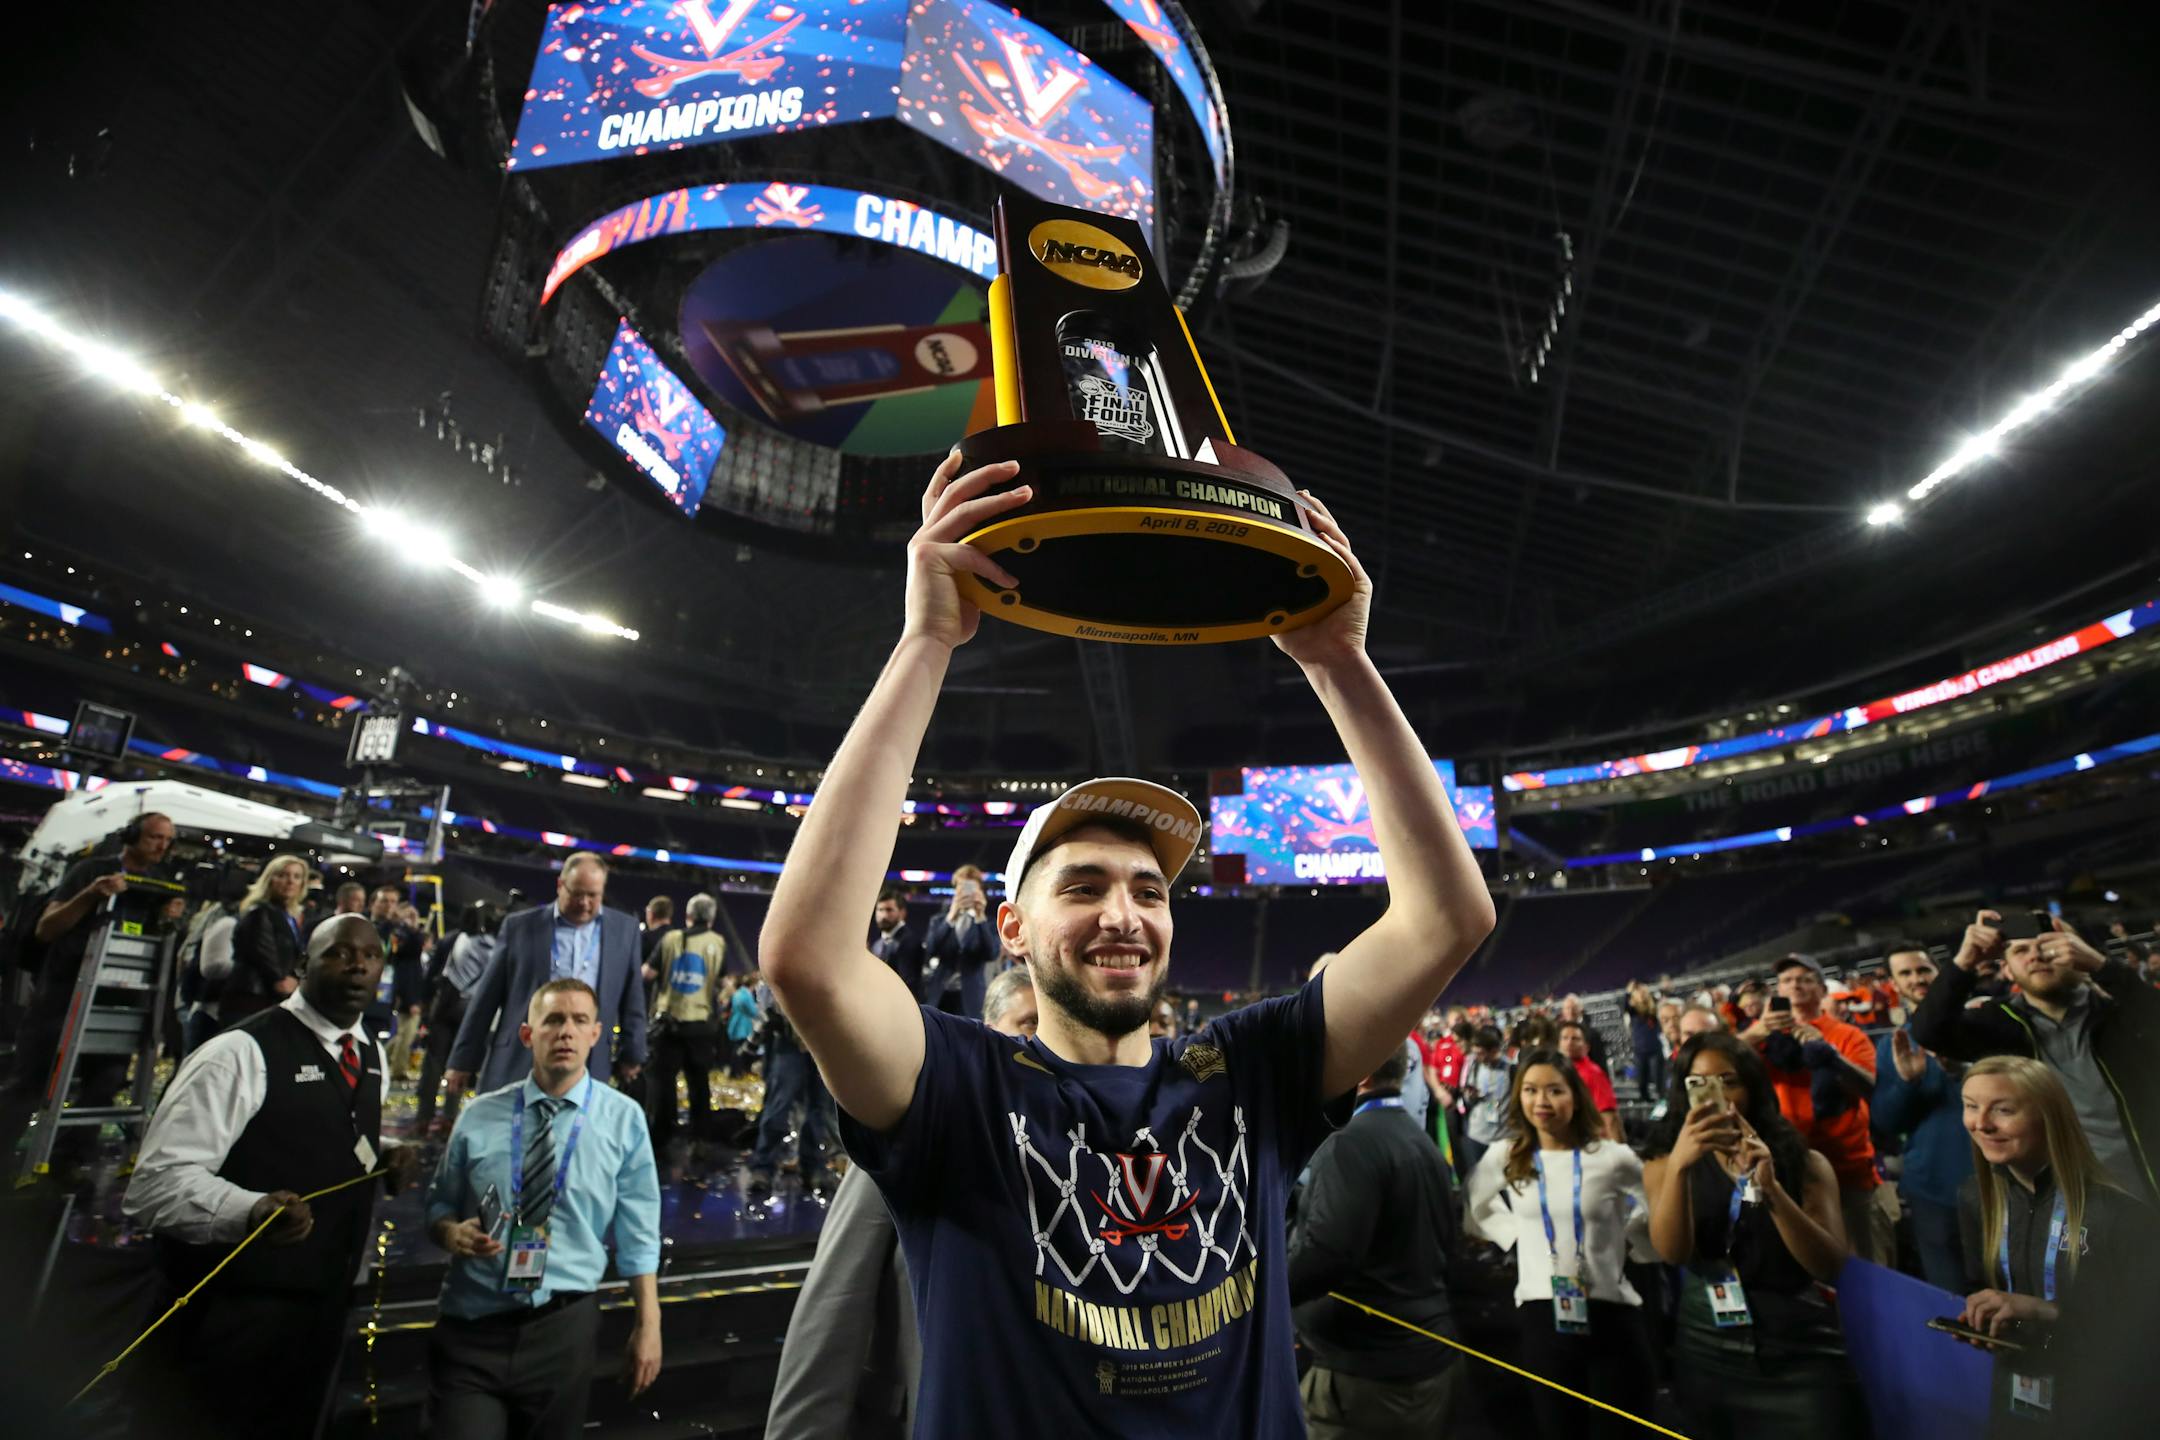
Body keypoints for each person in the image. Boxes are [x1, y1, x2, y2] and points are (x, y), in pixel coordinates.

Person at [756, 453, 1494, 1435]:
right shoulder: (956, 1088)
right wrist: (927, 641)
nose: (1124, 914)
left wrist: (1338, 666)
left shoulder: (1251, 1072)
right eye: (1085, 885)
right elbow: (806, 955)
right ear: (1011, 927)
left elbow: (1449, 918)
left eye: (1150, 889)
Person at [122, 915, 419, 1440]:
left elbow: (324, 1125)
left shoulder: (369, 1051)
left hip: (321, 1307)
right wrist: (250, 1209)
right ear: (302, 965)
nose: (358, 964)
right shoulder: (237, 1053)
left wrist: (388, 1151)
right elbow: (155, 1185)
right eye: (339, 953)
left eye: (371, 956)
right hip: (233, 1311)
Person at [767, 967, 1039, 1440]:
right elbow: (835, 1302)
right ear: (989, 1033)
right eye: (1029, 1025)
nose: (1042, 1045)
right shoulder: (916, 1131)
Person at [425, 978, 663, 1437]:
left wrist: (647, 1324)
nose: (566, 1032)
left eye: (579, 1021)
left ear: (596, 1034)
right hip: (472, 1325)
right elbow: (439, 1206)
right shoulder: (479, 1115)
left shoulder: (623, 1120)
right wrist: (450, 1233)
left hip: (562, 1331)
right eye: (553, 1020)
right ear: (527, 1034)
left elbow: (639, 1233)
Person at [1642, 1033, 1868, 1440]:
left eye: (1729, 1081)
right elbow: (1672, 1252)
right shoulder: (1664, 1164)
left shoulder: (1807, 1161)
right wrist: (1679, 1167)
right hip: (1706, 1343)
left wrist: (1771, 1190)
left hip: (1800, 1348)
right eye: (1698, 1083)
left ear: (1753, 1087)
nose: (1717, 1096)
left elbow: (1831, 1266)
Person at [1466, 1048, 1655, 1440]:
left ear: (1576, 1096)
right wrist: (1516, 1235)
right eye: (1531, 1090)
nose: (1541, 1102)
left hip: (1612, 1314)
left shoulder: (1613, 1157)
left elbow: (1655, 1207)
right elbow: (1474, 1206)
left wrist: (1634, 1242)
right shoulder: (1507, 1155)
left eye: (1554, 1091)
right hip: (1541, 1314)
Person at [1911, 909, 2157, 1200]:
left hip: (2144, 1183)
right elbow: (1929, 1031)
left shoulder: (2120, 1013)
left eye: (2050, 945)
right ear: (2008, 968)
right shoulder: (1996, 1023)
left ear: (2078, 952)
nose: (2036, 956)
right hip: (2058, 1195)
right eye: (2021, 950)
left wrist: (2102, 966)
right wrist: (1965, 962)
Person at [1956, 1055, 2141, 1431]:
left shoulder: (2117, 1213)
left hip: (2106, 1402)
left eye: (2003, 1109)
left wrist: (2049, 1311)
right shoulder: (1975, 1198)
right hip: (2018, 1392)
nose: (1981, 1124)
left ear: (2048, 1116)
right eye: (1971, 1107)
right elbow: (1980, 1283)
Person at [1289, 1045, 1463, 1440]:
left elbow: (1327, 1255)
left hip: (1366, 1379)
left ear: (1360, 1073)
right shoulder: (1420, 1141)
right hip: (1421, 1364)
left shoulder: (1349, 1141)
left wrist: (1258, 1292)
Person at [443, 853, 646, 1098]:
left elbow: (633, 999)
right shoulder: (519, 926)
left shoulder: (625, 931)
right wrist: (462, 1060)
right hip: (519, 1059)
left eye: (593, 895)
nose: (584, 903)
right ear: (560, 885)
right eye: (576, 893)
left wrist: (632, 1054)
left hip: (588, 1061)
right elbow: (486, 998)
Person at [1741, 954, 1887, 1263]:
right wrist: (1755, 1034)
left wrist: (1830, 1055)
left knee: (1864, 1263)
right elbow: (1717, 1062)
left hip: (1847, 1167)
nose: (1795, 984)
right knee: (1804, 1263)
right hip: (1787, 1168)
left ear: (1822, 991)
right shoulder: (1761, 1037)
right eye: (1787, 980)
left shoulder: (1847, 1035)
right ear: (1777, 991)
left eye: (1805, 979)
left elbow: (1870, 1087)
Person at [1871, 942, 1971, 1292]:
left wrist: (1965, 1070)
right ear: (1894, 984)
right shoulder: (1894, 1045)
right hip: (1932, 1193)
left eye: (1923, 970)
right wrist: (1907, 1083)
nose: (1917, 979)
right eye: (1906, 973)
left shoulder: (1979, 1024)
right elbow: (1885, 1123)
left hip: (1999, 1186)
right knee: (1954, 1304)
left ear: (1939, 972)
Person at [647, 893, 728, 1155]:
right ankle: (699, 1138)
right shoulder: (718, 942)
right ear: (712, 919)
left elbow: (647, 973)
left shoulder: (670, 939)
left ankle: (663, 1137)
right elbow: (721, 983)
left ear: (688, 915)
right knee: (699, 1083)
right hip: (701, 1025)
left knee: (664, 1081)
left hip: (669, 1022)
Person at [746, 970, 835, 1198]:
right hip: (790, 1039)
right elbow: (768, 989)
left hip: (822, 1040)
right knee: (779, 1106)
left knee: (819, 1109)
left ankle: (811, 1166)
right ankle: (764, 1167)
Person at [418, 901, 499, 1135]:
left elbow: (433, 975)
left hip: (445, 1007)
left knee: (434, 1063)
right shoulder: (497, 946)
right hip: (473, 1013)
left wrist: (425, 1006)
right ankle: (449, 1118)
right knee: (459, 1064)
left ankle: (424, 1117)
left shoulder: (452, 939)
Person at [223, 853, 310, 1022]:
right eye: (283, 875)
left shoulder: (288, 916)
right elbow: (263, 950)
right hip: (251, 998)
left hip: (269, 997)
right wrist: (280, 979)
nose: (290, 881)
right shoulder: (259, 912)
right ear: (270, 879)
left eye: (297, 876)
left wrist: (296, 979)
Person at [369, 886, 426, 1082]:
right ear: (373, 904)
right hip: (368, 990)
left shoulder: (397, 931)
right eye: (385, 901)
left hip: (384, 994)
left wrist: (411, 926)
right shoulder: (367, 925)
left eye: (394, 902)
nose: (390, 906)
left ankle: (379, 1068)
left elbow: (412, 951)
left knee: (380, 1036)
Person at [923, 864, 997, 1016]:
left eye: (972, 888)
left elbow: (991, 954)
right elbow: (930, 949)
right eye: (962, 888)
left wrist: (980, 916)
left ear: (980, 891)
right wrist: (951, 916)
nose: (967, 893)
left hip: (972, 999)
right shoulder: (938, 920)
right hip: (940, 996)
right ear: (955, 890)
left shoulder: (987, 923)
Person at [1558, 1019, 1623, 1141]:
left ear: (1586, 1047)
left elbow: (1610, 1117)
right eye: (1564, 1038)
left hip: (1592, 1143)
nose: (1569, 1043)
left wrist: (1618, 1152)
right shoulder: (1559, 1071)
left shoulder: (1593, 1073)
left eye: (1575, 1039)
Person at [1459, 1024, 1512, 1175]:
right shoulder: (1473, 1064)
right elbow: (1467, 1099)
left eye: (1481, 1054)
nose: (1477, 1057)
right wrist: (1470, 1096)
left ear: (1495, 1050)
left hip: (1504, 1137)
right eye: (1475, 1053)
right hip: (1477, 1135)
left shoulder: (1512, 1069)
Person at [869, 886, 926, 998]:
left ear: (902, 913)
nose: (884, 915)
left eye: (889, 910)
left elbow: (908, 983)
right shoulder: (877, 944)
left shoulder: (909, 941)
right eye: (880, 910)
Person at [1625, 983, 1663, 1101]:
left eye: (1643, 993)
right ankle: (1645, 1099)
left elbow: (1658, 1002)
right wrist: (1628, 992)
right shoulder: (1633, 1011)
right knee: (1642, 1079)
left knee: (1658, 1077)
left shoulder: (1653, 1009)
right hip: (1640, 1050)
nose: (1641, 995)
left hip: (1655, 1049)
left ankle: (1662, 1099)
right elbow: (1626, 1004)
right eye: (1638, 994)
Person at [1558, 993, 1609, 1070]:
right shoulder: (1558, 1033)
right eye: (1567, 1008)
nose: (1570, 1012)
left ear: (1580, 1009)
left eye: (1573, 1008)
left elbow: (1600, 1065)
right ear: (1563, 1011)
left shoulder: (1593, 1034)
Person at [726, 969, 760, 1077]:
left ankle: (735, 1071)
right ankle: (738, 1072)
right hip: (743, 1026)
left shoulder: (738, 993)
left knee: (735, 1050)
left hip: (736, 1023)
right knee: (740, 1050)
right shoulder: (746, 995)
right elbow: (753, 1011)